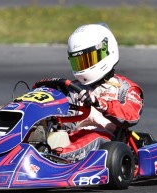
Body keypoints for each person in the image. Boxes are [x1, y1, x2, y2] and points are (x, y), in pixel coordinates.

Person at [53, 23, 144, 161]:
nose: (84, 67)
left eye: (88, 60)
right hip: (72, 137)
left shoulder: (125, 87)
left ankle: (55, 159)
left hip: (106, 140)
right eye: (79, 62)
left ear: (107, 51)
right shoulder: (71, 88)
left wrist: (99, 103)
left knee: (93, 138)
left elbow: (131, 116)